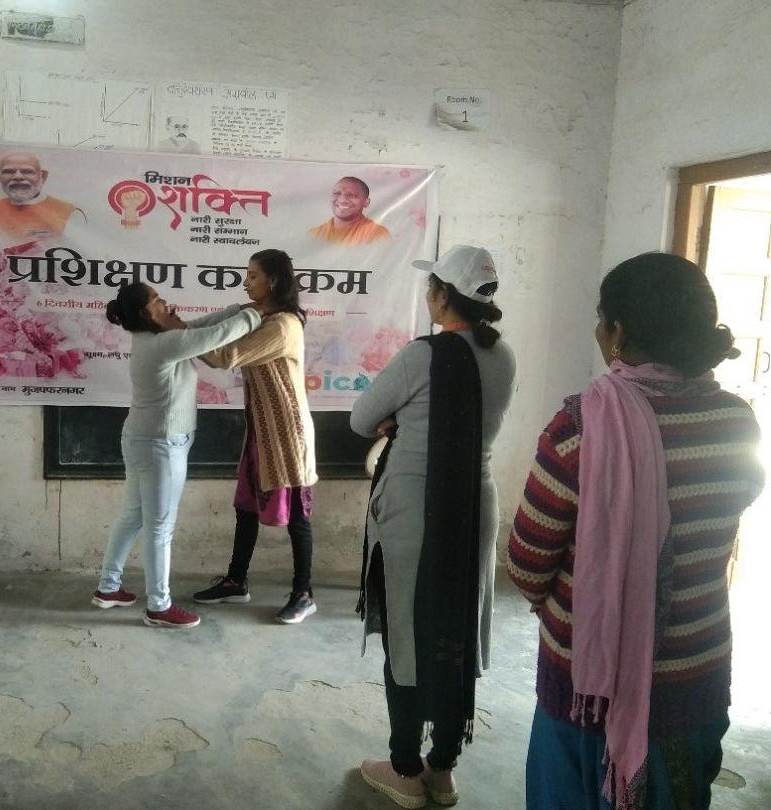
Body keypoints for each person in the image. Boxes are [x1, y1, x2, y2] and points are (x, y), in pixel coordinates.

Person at [507, 253, 764, 810]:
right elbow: (737, 500)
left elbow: (527, 563)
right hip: (693, 671)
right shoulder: (737, 421)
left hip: (586, 687)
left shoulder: (580, 426)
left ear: (618, 332)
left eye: (601, 320)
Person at [351, 245, 516, 809]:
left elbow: (361, 419)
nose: (427, 296)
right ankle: (442, 768)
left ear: (443, 296)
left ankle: (404, 768)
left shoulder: (421, 356)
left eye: (432, 288)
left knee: (408, 631)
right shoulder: (504, 356)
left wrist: (397, 418)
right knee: (457, 629)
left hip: (415, 511)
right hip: (473, 506)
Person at [94, 282, 262, 628]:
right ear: (147, 313)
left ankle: (108, 587)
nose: (168, 304)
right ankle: (159, 606)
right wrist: (258, 313)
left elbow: (199, 325)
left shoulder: (154, 337)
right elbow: (216, 335)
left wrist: (237, 308)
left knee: (133, 516)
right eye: (159, 301)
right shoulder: (165, 344)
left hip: (142, 439)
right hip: (161, 446)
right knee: (160, 528)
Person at [192, 249, 319, 624]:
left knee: (297, 516)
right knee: (245, 507)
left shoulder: (282, 326)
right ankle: (236, 581)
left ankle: (304, 593)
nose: (246, 283)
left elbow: (227, 356)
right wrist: (180, 328)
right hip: (261, 430)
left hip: (288, 434)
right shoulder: (261, 317)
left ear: (273, 281)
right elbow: (219, 325)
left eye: (253, 276)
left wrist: (178, 338)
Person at [0, 152, 84, 245]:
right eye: (9, 171)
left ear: (43, 176)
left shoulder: (69, 213)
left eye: (27, 171)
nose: (18, 177)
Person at [309, 177, 391, 245]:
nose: (342, 200)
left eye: (351, 195)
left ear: (366, 202)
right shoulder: (314, 234)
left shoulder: (377, 234)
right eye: (337, 193)